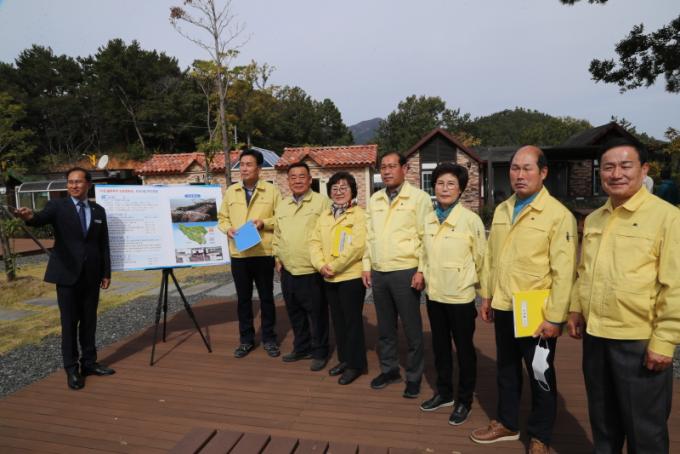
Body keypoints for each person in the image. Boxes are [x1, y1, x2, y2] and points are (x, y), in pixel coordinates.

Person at [567, 139, 680, 453]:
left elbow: (675, 285)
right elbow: (585, 270)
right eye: (608, 167)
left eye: (625, 166)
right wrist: (576, 308)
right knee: (604, 424)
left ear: (644, 170)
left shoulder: (668, 218)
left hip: (638, 340)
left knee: (645, 431)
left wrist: (665, 341)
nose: (616, 174)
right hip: (596, 336)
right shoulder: (595, 218)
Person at [471, 146, 577, 454]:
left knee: (540, 372)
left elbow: (564, 271)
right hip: (505, 304)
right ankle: (507, 422)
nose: (519, 174)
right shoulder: (503, 209)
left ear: (543, 172)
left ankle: (540, 435)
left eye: (527, 168)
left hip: (536, 311)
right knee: (506, 368)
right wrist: (487, 295)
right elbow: (491, 257)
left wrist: (555, 317)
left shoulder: (558, 215)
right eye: (515, 168)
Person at [16, 167, 114, 390]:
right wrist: (29, 216)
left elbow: (103, 244)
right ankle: (71, 368)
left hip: (92, 275)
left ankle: (89, 363)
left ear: (88, 184)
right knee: (69, 322)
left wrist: (106, 272)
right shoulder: (57, 206)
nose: (73, 185)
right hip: (67, 274)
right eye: (70, 182)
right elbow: (39, 218)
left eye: (78, 182)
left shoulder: (98, 210)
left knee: (89, 321)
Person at [419, 163, 486, 426]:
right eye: (439, 183)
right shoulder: (429, 218)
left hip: (460, 297)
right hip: (434, 295)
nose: (444, 188)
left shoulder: (470, 220)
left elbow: (482, 260)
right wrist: (421, 272)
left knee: (465, 350)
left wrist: (485, 296)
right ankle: (444, 392)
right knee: (440, 347)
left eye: (450, 184)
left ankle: (464, 401)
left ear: (460, 190)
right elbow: (424, 253)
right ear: (433, 187)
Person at [362, 151, 433, 398]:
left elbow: (426, 237)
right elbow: (369, 236)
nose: (387, 171)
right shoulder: (375, 199)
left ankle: (414, 376)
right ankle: (390, 370)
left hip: (406, 270)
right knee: (385, 327)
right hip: (379, 272)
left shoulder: (419, 198)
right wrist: (366, 265)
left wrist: (421, 270)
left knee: (412, 328)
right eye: (383, 167)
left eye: (392, 166)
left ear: (405, 168)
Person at [217, 149, 281, 359]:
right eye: (241, 165)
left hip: (263, 253)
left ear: (259, 168)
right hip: (239, 254)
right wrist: (228, 229)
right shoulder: (231, 191)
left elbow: (281, 218)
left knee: (266, 298)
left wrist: (264, 223)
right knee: (243, 300)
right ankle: (246, 340)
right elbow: (222, 218)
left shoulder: (271, 191)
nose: (244, 168)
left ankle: (269, 339)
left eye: (249, 164)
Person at [309, 172, 368, 385]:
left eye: (344, 188)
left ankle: (356, 365)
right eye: (335, 188)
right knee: (339, 321)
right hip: (328, 277)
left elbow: (358, 246)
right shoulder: (325, 215)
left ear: (353, 191)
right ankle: (345, 359)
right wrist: (320, 265)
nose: (339, 192)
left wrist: (333, 266)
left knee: (352, 322)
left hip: (350, 276)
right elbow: (314, 242)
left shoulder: (359, 215)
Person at [273, 162, 331, 371]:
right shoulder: (282, 205)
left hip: (312, 270)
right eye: (293, 177)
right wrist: (277, 258)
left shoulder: (322, 202)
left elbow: (329, 233)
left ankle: (320, 351)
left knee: (317, 314)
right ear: (288, 181)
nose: (297, 180)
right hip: (288, 270)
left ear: (309, 179)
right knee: (295, 313)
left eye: (301, 176)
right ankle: (302, 347)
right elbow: (277, 235)